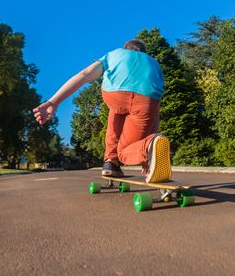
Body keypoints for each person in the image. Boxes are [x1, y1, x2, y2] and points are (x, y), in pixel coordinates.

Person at [32, 39, 172, 183]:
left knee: (121, 141)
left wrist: (53, 102)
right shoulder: (154, 63)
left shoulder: (114, 54)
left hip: (115, 96)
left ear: (125, 49)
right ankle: (145, 146)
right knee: (131, 136)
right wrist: (147, 151)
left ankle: (112, 161)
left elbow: (84, 75)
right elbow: (154, 111)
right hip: (146, 101)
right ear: (143, 52)